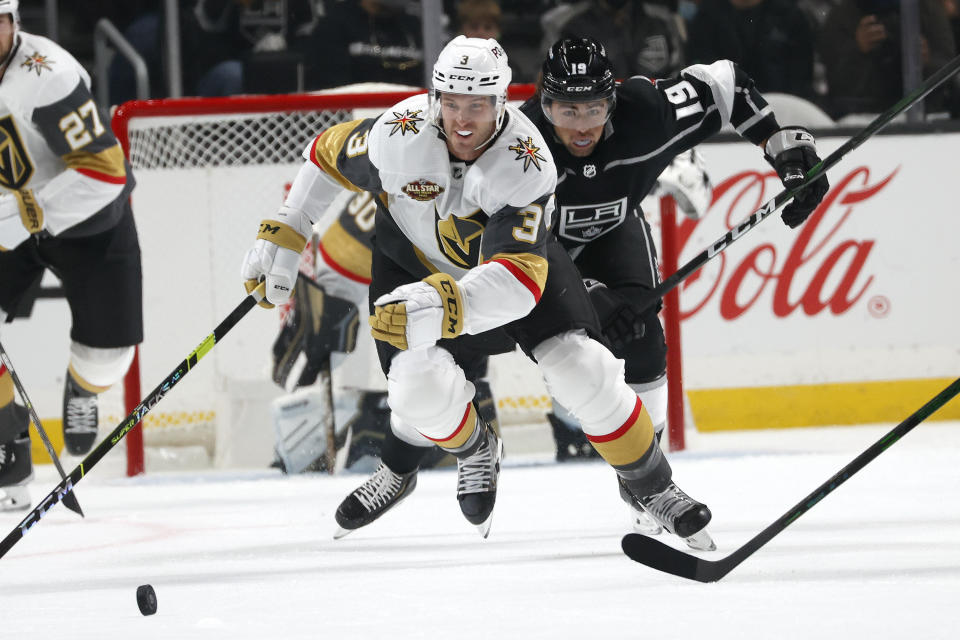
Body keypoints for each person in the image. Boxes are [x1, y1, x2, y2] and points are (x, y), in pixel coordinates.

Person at [242, 35, 713, 547]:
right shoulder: (395, 135)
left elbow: (518, 281)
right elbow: (325, 154)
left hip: (512, 269)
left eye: (478, 105)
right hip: (410, 262)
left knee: (581, 366)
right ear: (433, 99)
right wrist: (288, 229)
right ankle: (475, 449)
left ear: (502, 103)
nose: (463, 121)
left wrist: (447, 305)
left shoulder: (528, 159)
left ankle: (653, 487)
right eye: (451, 103)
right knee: (416, 389)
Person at [519, 37, 829, 539]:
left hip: (613, 228)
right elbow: (497, 240)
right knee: (575, 356)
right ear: (543, 102)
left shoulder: (648, 112)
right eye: (565, 109)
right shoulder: (517, 143)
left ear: (613, 101)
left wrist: (784, 148)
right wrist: (587, 292)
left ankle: (646, 473)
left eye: (594, 107)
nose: (580, 125)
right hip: (533, 250)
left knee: (642, 338)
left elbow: (725, 82)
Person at [0, 0, 141, 509]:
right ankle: (6, 452)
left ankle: (83, 389)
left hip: (87, 217)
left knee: (108, 359)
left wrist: (22, 215)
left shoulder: (46, 75)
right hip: (9, 215)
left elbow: (105, 174)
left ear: (14, 22)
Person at [818, 0, 956, 117]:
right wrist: (858, 49)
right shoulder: (842, 16)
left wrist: (924, 62)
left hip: (924, 112)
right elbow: (836, 86)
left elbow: (948, 71)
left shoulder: (927, 9)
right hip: (862, 117)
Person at [686, 0, 818, 100]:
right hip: (725, 118)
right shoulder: (706, 18)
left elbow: (803, 78)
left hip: (784, 110)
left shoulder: (790, 17)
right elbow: (701, 76)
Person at [540, 0, 686, 79]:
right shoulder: (562, 23)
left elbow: (677, 75)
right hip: (589, 116)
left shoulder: (662, 20)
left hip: (653, 114)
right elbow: (548, 78)